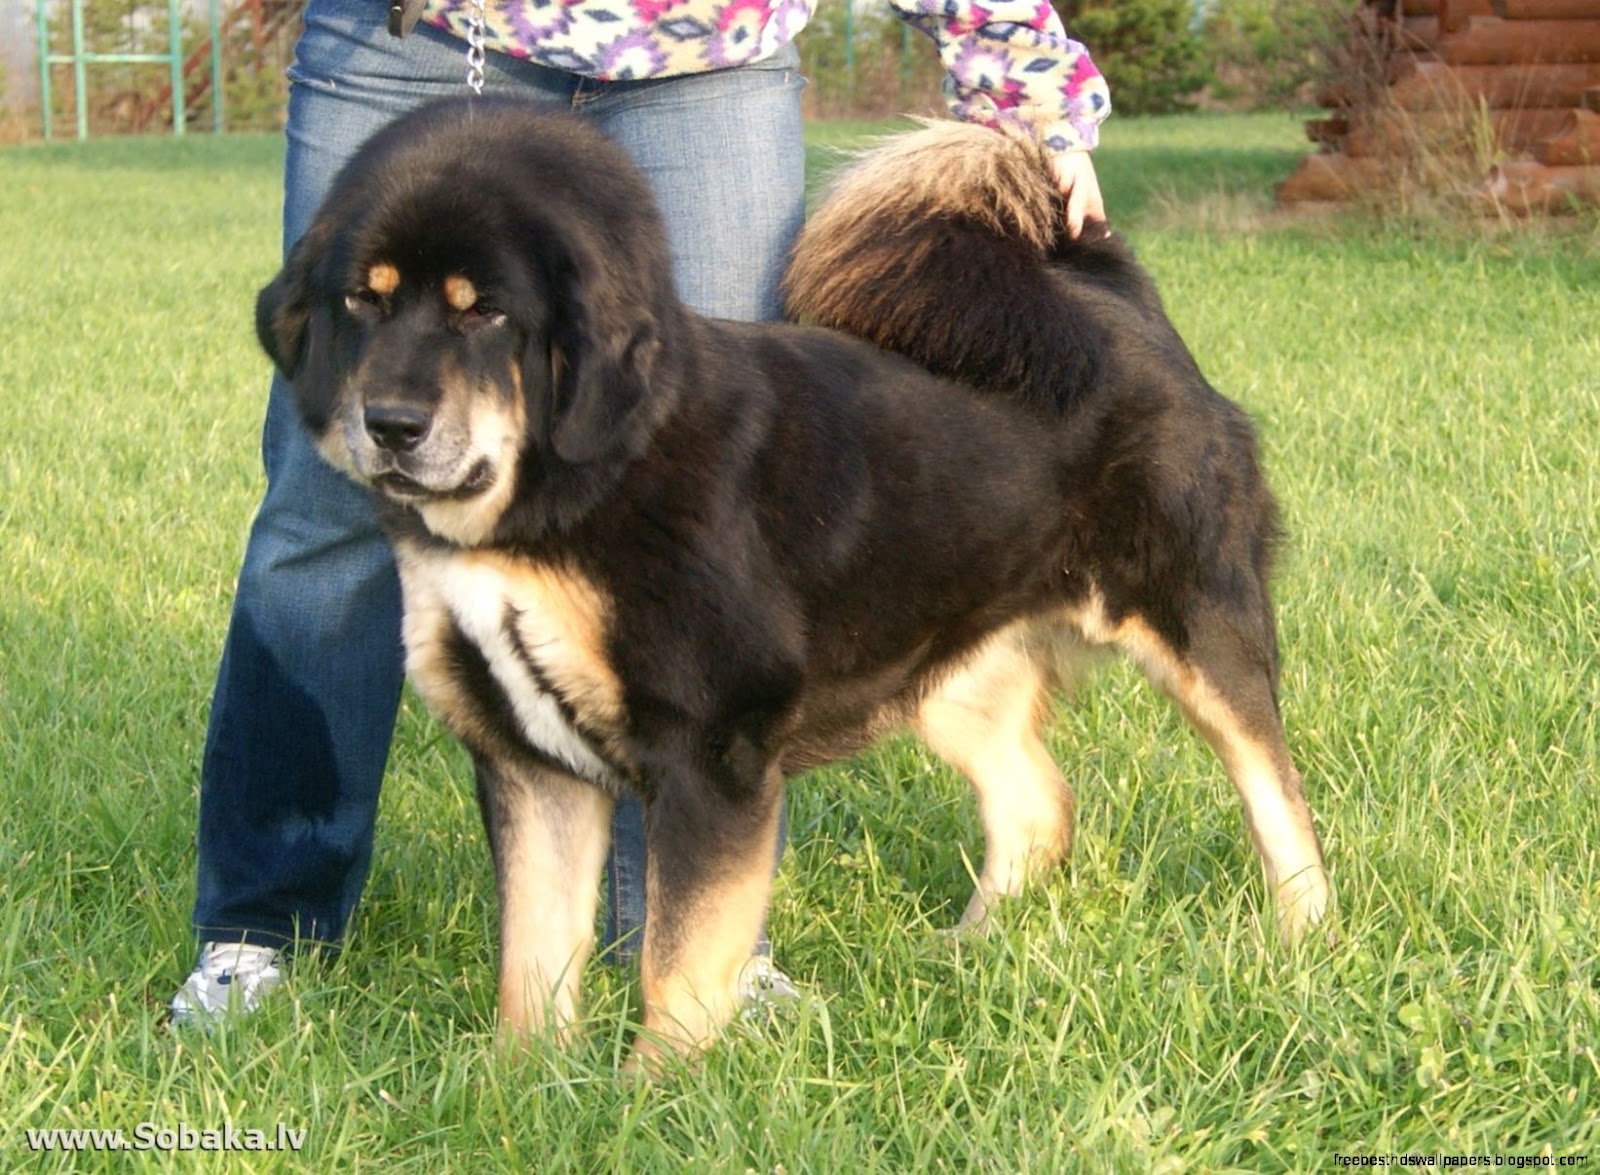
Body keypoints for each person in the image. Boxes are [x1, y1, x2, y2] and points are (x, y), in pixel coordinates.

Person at [171, 0, 1111, 1022]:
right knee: (330, 507)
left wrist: (1026, 90)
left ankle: (699, 948)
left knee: (707, 510)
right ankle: (262, 927)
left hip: (704, 54)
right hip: (425, 37)